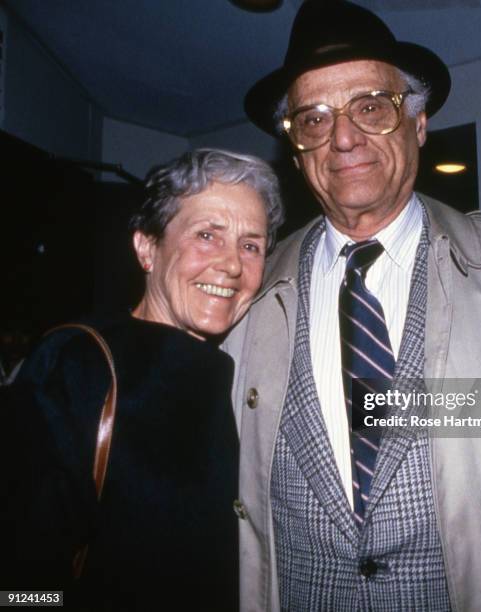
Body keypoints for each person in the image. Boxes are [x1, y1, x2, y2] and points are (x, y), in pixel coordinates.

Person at [225, 1, 481, 610]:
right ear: (297, 148)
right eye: (314, 119)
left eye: (371, 107)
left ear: (419, 124)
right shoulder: (253, 289)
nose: (343, 136)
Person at [5, 149, 284, 611]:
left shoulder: (237, 374)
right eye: (207, 235)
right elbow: (18, 584)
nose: (232, 264)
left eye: (250, 245)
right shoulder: (78, 364)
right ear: (147, 248)